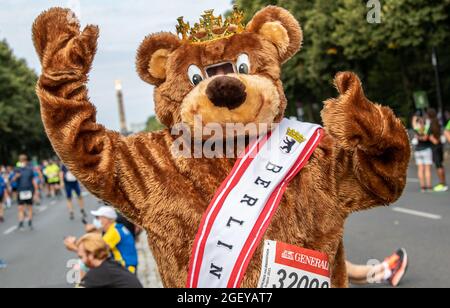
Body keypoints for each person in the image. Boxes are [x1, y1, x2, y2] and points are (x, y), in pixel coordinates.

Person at [65, 206, 138, 274]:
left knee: (86, 268)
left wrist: (74, 247)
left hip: (125, 268)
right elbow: (98, 240)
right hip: (127, 265)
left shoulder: (113, 233)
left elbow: (96, 251)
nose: (97, 220)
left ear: (106, 219)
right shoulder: (115, 228)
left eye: (98, 218)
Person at [75, 233, 143, 288]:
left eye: (81, 257)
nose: (81, 261)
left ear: (91, 254)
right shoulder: (111, 264)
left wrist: (81, 273)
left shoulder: (98, 273)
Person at [14, 155, 39, 230]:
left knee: (29, 207)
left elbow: (33, 180)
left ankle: (30, 222)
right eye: (21, 160)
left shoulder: (30, 169)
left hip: (29, 190)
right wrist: (16, 176)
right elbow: (13, 180)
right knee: (20, 208)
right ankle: (21, 222)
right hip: (20, 191)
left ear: (26, 161)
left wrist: (36, 191)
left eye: (23, 160)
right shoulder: (17, 169)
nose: (22, 162)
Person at [412, 113, 433, 192]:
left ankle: (422, 187)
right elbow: (425, 138)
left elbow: (414, 122)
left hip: (418, 151)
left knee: (420, 169)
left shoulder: (416, 129)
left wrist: (415, 117)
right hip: (426, 149)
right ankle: (429, 186)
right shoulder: (426, 128)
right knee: (427, 169)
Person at [427, 109, 448, 192]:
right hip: (439, 146)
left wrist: (433, 140)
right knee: (440, 165)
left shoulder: (431, 123)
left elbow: (428, 135)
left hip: (435, 147)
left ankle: (441, 184)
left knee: (438, 165)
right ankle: (443, 183)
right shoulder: (438, 122)